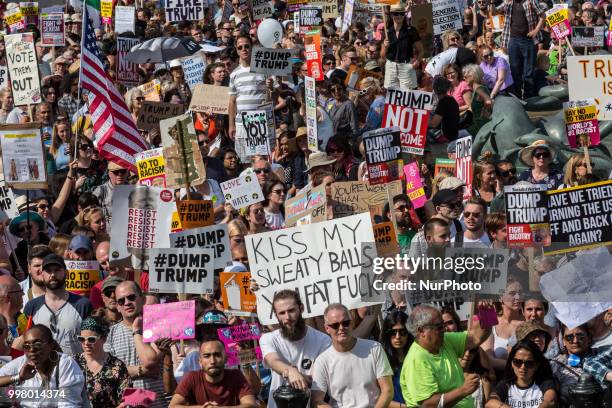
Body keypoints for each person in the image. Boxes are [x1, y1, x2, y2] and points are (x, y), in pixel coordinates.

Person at [400, 304, 491, 407]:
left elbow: (477, 337)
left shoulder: (445, 341)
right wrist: (463, 390)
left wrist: (487, 312)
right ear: (421, 331)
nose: (444, 329)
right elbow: (428, 405)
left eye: (443, 325)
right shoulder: (417, 360)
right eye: (439, 327)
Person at [311, 303, 393, 408]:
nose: (341, 328)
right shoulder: (322, 361)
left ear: (352, 323)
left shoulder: (374, 348)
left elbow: (387, 390)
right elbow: (317, 401)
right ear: (327, 328)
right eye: (335, 325)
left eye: (346, 323)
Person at [259, 290, 331, 408]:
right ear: (276, 315)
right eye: (282, 313)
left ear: (301, 308)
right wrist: (290, 371)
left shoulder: (323, 341)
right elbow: (273, 361)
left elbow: (317, 379)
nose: (287, 317)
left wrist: (299, 376)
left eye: (291, 311)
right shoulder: (268, 339)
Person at [104, 281, 166, 407]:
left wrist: (126, 370)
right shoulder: (109, 334)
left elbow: (152, 362)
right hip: (126, 404)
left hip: (158, 403)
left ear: (142, 300)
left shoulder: (160, 328)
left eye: (131, 297)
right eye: (121, 301)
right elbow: (108, 371)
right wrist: (143, 370)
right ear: (117, 306)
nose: (127, 303)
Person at [22, 254, 92, 355]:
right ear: (42, 274)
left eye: (57, 270)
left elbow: (93, 339)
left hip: (75, 368)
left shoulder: (83, 304)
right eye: (48, 271)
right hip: (43, 368)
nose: (53, 274)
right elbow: (24, 341)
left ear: (66, 273)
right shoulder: (32, 306)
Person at [0, 324, 85, 407]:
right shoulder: (23, 361)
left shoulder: (65, 364)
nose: (32, 349)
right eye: (26, 346)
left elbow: (68, 405)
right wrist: (19, 377)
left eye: (37, 344)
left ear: (51, 345)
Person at [169, 337, 257, 407]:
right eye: (207, 356)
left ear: (225, 358)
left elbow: (251, 405)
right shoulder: (192, 378)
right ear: (200, 362)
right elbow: (173, 406)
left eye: (217, 355)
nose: (212, 361)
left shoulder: (236, 376)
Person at [228, 35, 276, 141]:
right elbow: (232, 101)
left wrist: (271, 88)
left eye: (246, 46)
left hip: (261, 121)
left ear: (252, 48)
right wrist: (231, 125)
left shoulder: (264, 68)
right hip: (241, 123)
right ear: (236, 50)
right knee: (244, 157)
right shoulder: (234, 74)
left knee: (261, 157)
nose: (244, 49)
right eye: (240, 47)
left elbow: (274, 96)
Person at [76, 316, 132, 407]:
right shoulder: (72, 362)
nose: (86, 343)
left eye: (91, 339)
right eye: (81, 339)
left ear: (104, 338)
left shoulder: (117, 367)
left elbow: (125, 402)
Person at [497, 0, 546, 99]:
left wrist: (536, 31)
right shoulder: (508, 2)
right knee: (515, 71)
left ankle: (529, 98)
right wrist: (490, 3)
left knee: (528, 73)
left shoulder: (531, 1)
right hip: (513, 40)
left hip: (528, 40)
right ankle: (517, 98)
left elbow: (543, 15)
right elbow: (494, 12)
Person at [486, 340, 557, 407]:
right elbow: (490, 403)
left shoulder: (545, 383)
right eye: (518, 362)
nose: (523, 367)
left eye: (529, 363)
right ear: (512, 364)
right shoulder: (506, 384)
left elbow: (550, 401)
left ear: (536, 366)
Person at [482, 276, 524, 372]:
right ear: (501, 297)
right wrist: (516, 367)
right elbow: (488, 359)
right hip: (497, 379)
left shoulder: (527, 322)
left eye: (520, 293)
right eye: (512, 293)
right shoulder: (491, 322)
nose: (517, 297)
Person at [382, 4, 422, 90]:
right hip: (391, 66)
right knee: (391, 97)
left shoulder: (411, 31)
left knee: (407, 97)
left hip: (406, 66)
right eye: (396, 14)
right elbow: (382, 55)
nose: (399, 16)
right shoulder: (387, 31)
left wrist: (417, 62)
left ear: (404, 14)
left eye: (402, 13)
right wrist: (385, 46)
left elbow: (421, 50)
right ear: (392, 15)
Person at [380, 310, 413, 408]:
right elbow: (378, 397)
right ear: (387, 334)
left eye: (402, 332)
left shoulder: (418, 356)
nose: (398, 337)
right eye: (393, 332)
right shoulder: (381, 360)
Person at [93, 161, 129, 228]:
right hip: (107, 235)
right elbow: (92, 217)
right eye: (116, 172)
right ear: (109, 173)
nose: (120, 175)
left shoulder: (134, 191)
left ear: (127, 173)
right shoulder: (100, 191)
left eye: (123, 171)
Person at [462, 64, 493, 137]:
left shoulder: (479, 89)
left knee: (454, 138)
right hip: (478, 126)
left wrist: (485, 111)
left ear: (473, 76)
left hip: (480, 128)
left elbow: (488, 101)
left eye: (466, 77)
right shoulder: (476, 90)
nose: (464, 79)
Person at [429, 76, 460, 142]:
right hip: (454, 134)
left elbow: (433, 124)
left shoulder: (443, 102)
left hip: (447, 137)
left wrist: (420, 120)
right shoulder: (451, 99)